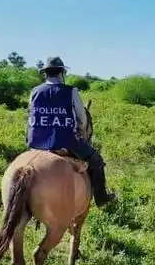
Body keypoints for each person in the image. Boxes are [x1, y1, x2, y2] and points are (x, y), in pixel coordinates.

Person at [27, 56, 116, 207]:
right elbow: (81, 118)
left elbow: (31, 116)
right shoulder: (70, 91)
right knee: (97, 161)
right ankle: (101, 197)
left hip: (37, 143)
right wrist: (80, 132)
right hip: (66, 142)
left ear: (45, 74)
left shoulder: (34, 92)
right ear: (62, 73)